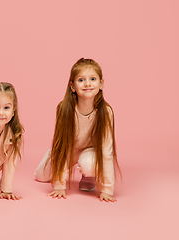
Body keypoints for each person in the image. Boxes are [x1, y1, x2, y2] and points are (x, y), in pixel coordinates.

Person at [35, 58, 121, 202]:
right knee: (40, 176)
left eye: (92, 79)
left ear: (101, 84)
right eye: (81, 80)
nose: (87, 83)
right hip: (68, 149)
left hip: (91, 151)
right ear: (72, 86)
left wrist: (107, 189)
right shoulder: (64, 109)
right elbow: (62, 147)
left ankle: (88, 176)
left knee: (88, 163)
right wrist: (59, 185)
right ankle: (52, 156)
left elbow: (106, 151)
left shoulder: (106, 112)